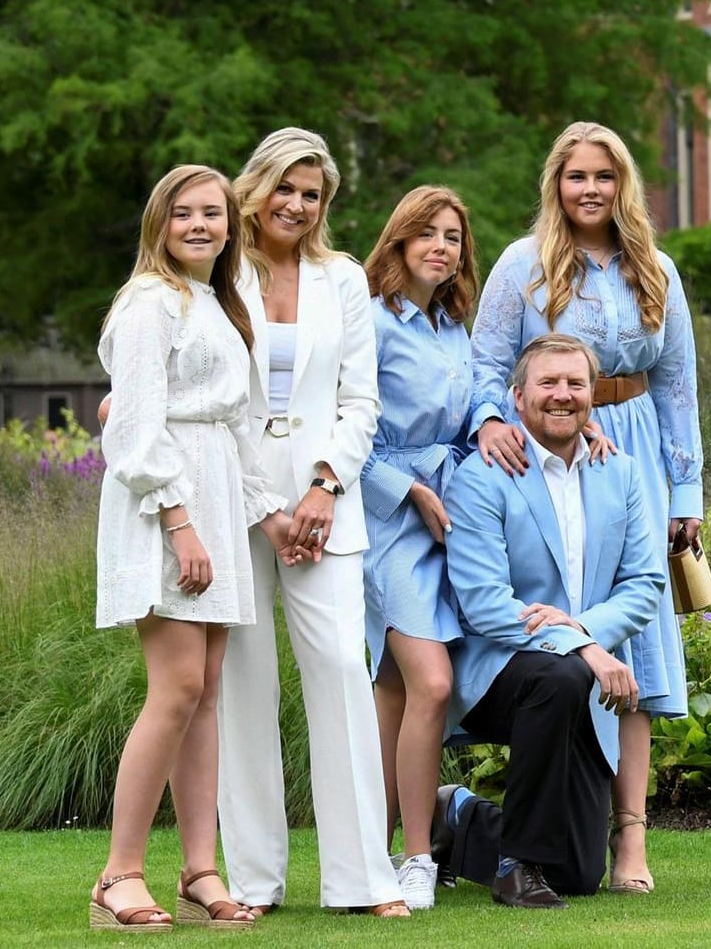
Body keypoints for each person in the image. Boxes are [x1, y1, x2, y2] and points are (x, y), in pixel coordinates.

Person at [470, 121, 703, 894]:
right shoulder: (521, 266)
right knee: (565, 642)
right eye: (577, 176)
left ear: (623, 183)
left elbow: (676, 386)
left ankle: (630, 838)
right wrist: (491, 421)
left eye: (605, 174)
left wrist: (687, 492)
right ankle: (527, 830)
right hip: (547, 438)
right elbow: (487, 363)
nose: (591, 188)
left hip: (629, 452)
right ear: (556, 184)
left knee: (634, 652)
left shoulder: (655, 268)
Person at [91, 165, 301, 931]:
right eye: (184, 213)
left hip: (212, 497)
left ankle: (199, 868)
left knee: (206, 693)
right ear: (160, 223)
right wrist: (180, 522)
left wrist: (265, 511)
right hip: (166, 503)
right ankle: (119, 873)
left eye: (212, 213)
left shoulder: (215, 302)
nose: (200, 225)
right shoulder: (149, 303)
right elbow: (136, 431)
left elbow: (237, 432)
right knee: (177, 686)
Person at [216, 127, 407, 916]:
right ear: (254, 188)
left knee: (339, 673)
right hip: (234, 500)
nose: (295, 204)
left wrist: (326, 486)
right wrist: (268, 509)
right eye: (284, 188)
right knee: (243, 683)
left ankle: (362, 879)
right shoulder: (216, 276)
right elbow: (218, 405)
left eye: (311, 193)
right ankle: (254, 881)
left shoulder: (343, 280)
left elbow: (361, 398)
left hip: (331, 504)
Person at [435, 333, 666, 908]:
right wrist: (581, 647)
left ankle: (458, 815)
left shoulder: (624, 474)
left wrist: (579, 633)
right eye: (547, 383)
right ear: (517, 397)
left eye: (575, 384)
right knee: (559, 676)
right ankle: (516, 867)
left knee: (579, 875)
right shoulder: (482, 476)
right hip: (499, 670)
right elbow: (484, 602)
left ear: (592, 397)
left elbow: (645, 586)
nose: (562, 395)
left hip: (580, 681)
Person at [356, 186, 480, 910]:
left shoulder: (454, 329)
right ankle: (416, 855)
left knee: (398, 690)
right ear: (398, 242)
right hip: (392, 521)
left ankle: (368, 851)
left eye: (454, 236)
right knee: (429, 682)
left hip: (453, 520)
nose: (442, 246)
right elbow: (349, 436)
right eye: (427, 233)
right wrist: (412, 492)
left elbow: (471, 424)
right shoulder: (371, 323)